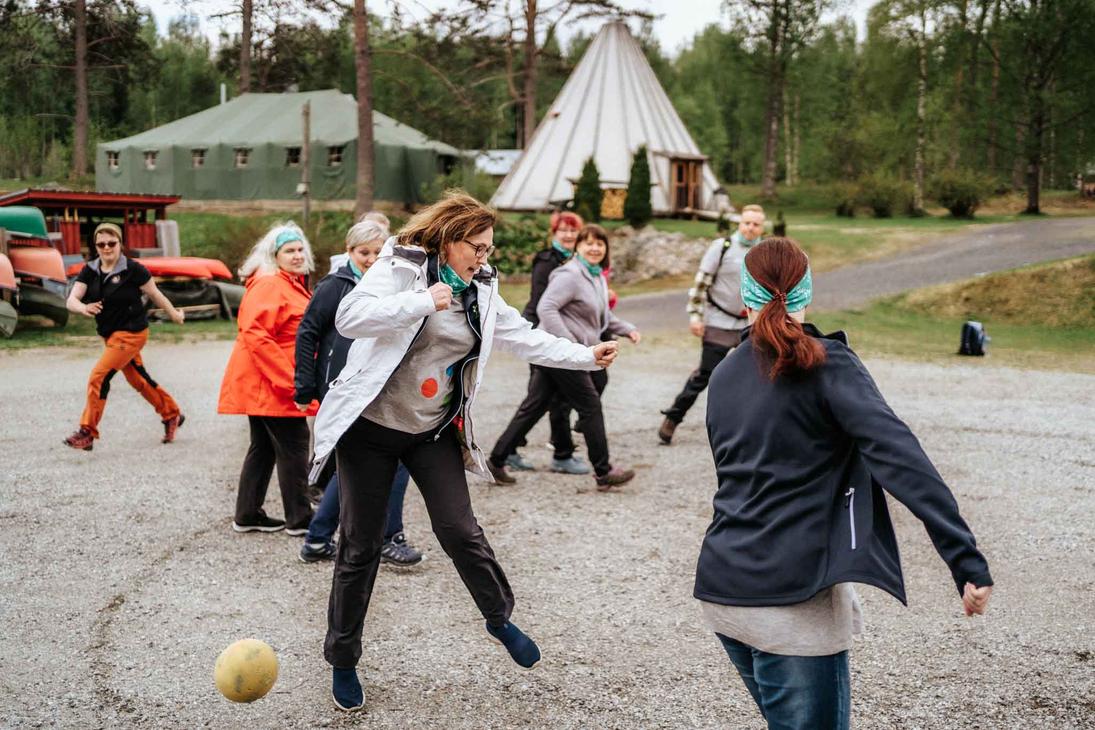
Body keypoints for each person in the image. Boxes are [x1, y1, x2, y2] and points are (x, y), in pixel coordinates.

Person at [309, 191, 620, 712]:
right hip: (370, 430)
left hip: (430, 431)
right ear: (450, 241)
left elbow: (522, 337)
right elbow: (350, 317)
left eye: (488, 248)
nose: (484, 256)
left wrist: (585, 355)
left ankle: (499, 619)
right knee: (360, 546)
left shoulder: (482, 288)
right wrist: (422, 301)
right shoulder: (401, 265)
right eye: (477, 246)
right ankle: (343, 660)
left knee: (460, 530)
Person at [695, 237, 993, 729]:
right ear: (806, 293)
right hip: (793, 603)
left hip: (724, 587)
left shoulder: (725, 372)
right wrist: (965, 559)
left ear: (744, 297)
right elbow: (903, 459)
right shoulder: (826, 362)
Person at [293, 217, 423, 567]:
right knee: (382, 461)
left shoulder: (393, 282)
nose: (370, 258)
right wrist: (305, 386)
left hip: (378, 383)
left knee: (359, 464)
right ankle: (384, 537)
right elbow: (307, 333)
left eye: (378, 252)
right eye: (364, 252)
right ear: (349, 251)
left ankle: (321, 538)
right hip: (344, 386)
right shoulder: (335, 286)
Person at [488, 224, 640, 489]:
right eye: (588, 243)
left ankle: (496, 460)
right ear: (578, 247)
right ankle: (603, 472)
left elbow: (601, 314)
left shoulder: (595, 276)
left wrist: (626, 329)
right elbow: (546, 308)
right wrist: (569, 345)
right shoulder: (569, 274)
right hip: (560, 352)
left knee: (535, 405)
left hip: (564, 353)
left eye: (600, 244)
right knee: (590, 405)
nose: (594, 248)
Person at [217, 223, 318, 536]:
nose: (297, 255)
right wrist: (290, 382)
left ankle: (248, 513)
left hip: (267, 381)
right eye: (290, 251)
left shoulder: (286, 282)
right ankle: (300, 518)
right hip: (271, 382)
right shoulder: (271, 284)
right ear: (275, 255)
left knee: (263, 447)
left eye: (300, 249)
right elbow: (257, 336)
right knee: (294, 444)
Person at [63, 222, 186, 451]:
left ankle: (87, 432)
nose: (106, 248)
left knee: (99, 377)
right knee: (138, 379)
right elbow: (72, 300)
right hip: (110, 335)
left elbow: (155, 294)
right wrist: (83, 308)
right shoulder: (90, 270)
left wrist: (175, 315)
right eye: (101, 244)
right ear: (95, 246)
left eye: (112, 243)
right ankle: (172, 414)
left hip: (132, 333)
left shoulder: (133, 269)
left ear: (120, 244)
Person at [658, 204, 766, 444]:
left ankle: (749, 431)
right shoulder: (722, 247)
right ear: (739, 223)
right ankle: (673, 418)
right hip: (718, 321)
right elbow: (701, 284)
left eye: (756, 224)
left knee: (754, 377)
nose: (750, 228)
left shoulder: (765, 251)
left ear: (762, 227)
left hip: (750, 325)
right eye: (746, 223)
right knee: (705, 374)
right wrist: (695, 316)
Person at [502, 210, 591, 475]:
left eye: (573, 230)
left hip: (559, 332)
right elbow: (545, 304)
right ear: (554, 233)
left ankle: (527, 450)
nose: (569, 235)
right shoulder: (546, 261)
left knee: (547, 398)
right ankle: (551, 453)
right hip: (541, 332)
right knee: (543, 398)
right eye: (563, 230)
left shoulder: (578, 261)